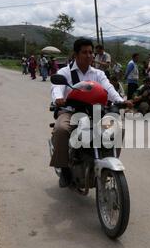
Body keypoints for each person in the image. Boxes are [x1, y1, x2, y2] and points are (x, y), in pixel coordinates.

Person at [50, 38, 132, 187]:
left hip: (95, 112)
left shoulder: (98, 74)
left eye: (91, 52)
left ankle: (108, 162)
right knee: (61, 129)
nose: (89, 55)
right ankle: (64, 169)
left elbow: (108, 88)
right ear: (75, 54)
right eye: (84, 52)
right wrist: (59, 98)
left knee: (119, 128)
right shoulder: (65, 72)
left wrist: (120, 100)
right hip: (71, 111)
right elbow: (56, 87)